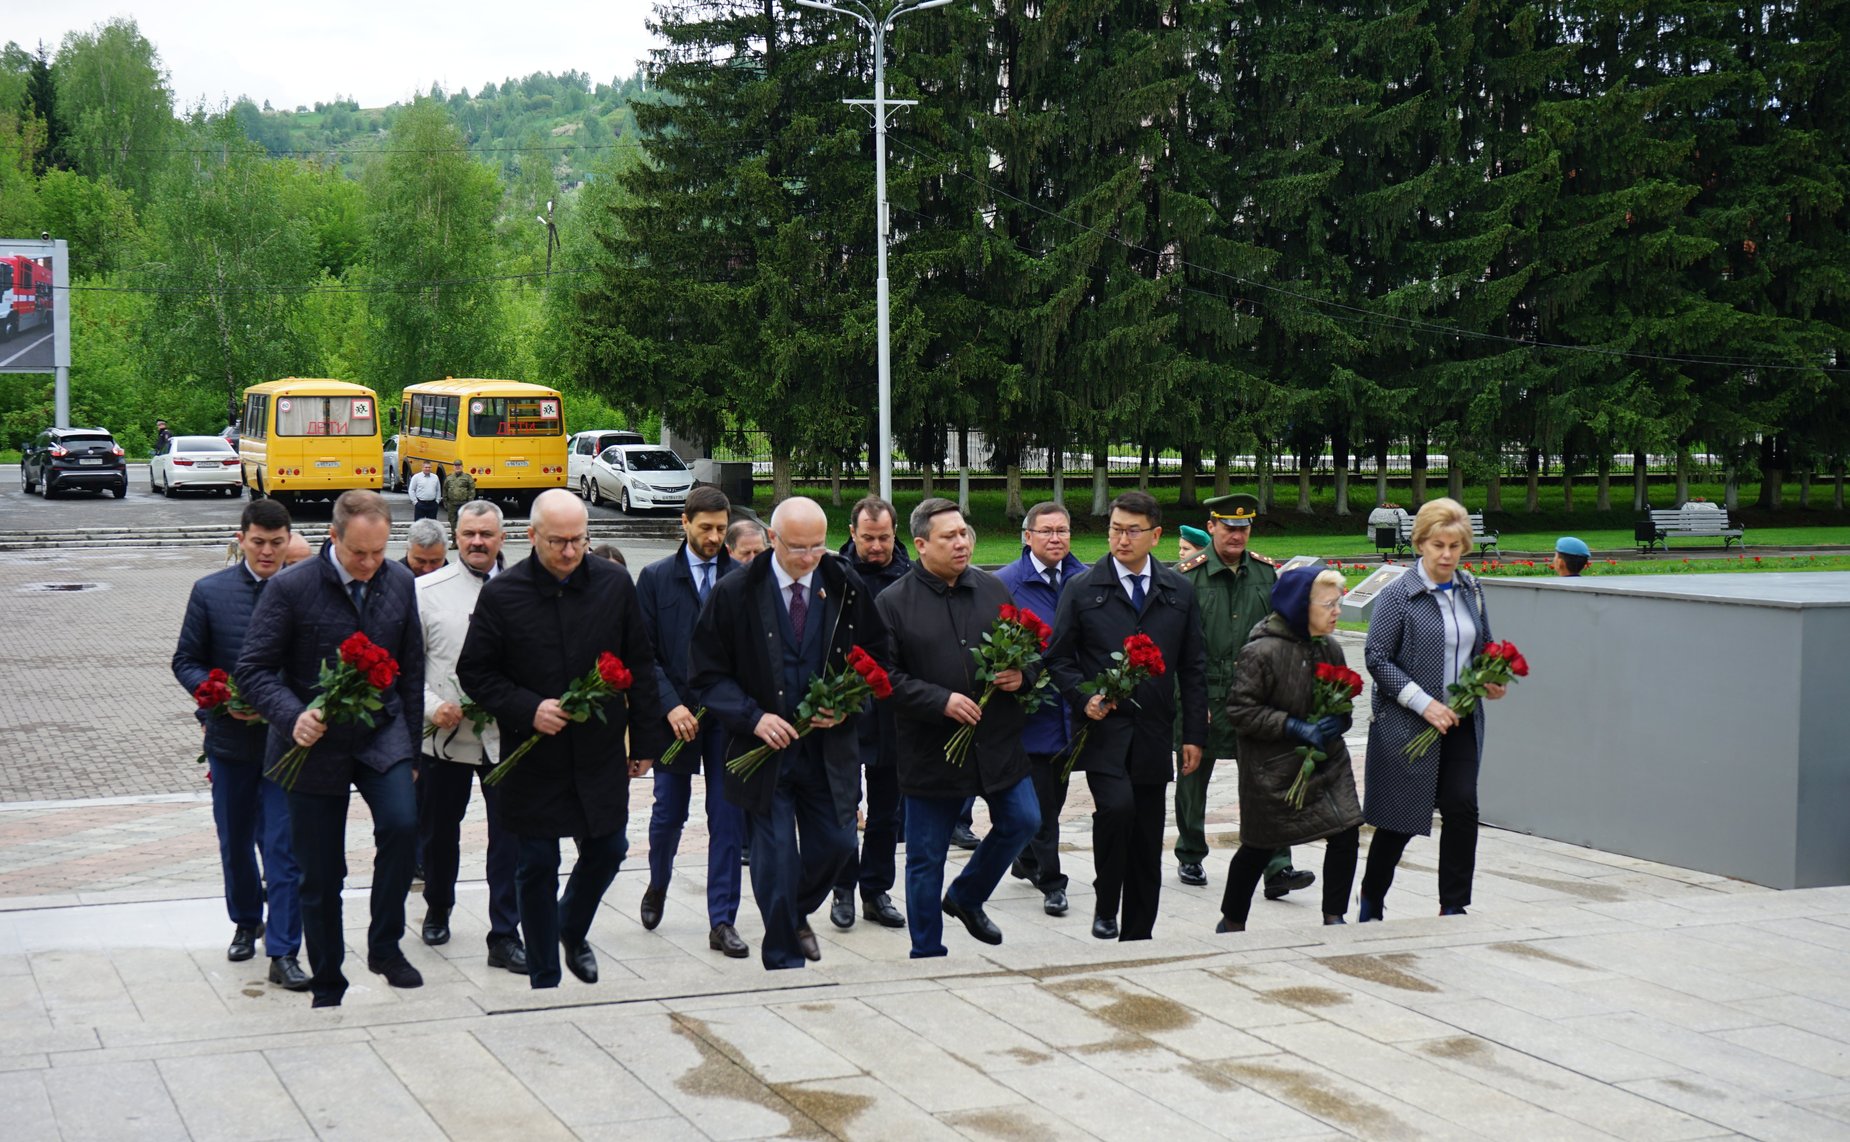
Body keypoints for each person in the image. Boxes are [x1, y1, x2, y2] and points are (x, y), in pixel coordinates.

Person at [458, 490, 666, 988]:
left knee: (610, 847)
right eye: (558, 542)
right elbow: (476, 672)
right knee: (536, 862)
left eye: (578, 540)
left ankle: (571, 928)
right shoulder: (503, 594)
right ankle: (544, 973)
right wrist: (528, 708)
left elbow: (640, 662)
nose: (570, 552)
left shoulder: (614, 584)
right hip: (533, 756)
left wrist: (645, 742)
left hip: (597, 750)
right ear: (532, 537)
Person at [237, 490, 425, 1008]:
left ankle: (385, 946)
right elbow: (252, 669)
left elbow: (411, 671)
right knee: (320, 871)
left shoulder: (401, 582)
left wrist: (411, 749)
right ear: (333, 537)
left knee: (403, 824)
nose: (368, 565)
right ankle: (328, 976)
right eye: (357, 553)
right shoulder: (291, 588)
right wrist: (293, 715)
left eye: (378, 553)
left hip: (380, 729)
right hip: (311, 739)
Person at [688, 496, 887, 970]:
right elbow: (706, 674)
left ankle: (796, 913)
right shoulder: (735, 592)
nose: (809, 558)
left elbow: (878, 656)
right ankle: (782, 959)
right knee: (775, 856)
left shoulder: (844, 584)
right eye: (798, 547)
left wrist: (846, 706)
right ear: (773, 539)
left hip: (827, 750)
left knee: (839, 846)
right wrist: (752, 717)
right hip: (765, 752)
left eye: (818, 546)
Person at [877, 499, 1040, 957]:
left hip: (996, 741)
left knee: (1024, 819)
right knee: (925, 856)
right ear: (922, 544)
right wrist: (940, 700)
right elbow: (881, 677)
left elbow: (1027, 652)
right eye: (949, 536)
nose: (962, 542)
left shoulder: (992, 590)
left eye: (964, 532)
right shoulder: (892, 603)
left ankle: (967, 895)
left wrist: (1021, 674)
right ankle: (927, 950)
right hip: (933, 749)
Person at [1046, 490, 1208, 942]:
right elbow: (1058, 659)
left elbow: (1193, 667)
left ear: (1155, 535)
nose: (1121, 538)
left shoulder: (1178, 590)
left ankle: (1140, 931)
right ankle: (1105, 899)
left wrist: (1193, 733)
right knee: (1116, 810)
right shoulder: (1083, 587)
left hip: (1155, 733)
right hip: (1104, 731)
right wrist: (1083, 698)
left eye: (1132, 530)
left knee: (1147, 830)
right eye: (1115, 528)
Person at [171, 498, 307, 991]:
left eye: (277, 543)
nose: (268, 552)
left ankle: (285, 949)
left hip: (286, 742)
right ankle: (246, 920)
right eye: (259, 542)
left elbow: (314, 666)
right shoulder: (210, 592)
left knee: (283, 846)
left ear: (289, 539)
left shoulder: (304, 592)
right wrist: (215, 694)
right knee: (234, 841)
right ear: (241, 538)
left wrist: (285, 704)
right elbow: (185, 659)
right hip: (229, 739)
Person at [1359, 497, 1507, 920]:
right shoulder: (1398, 596)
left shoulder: (1471, 589)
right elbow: (1376, 658)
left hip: (1460, 719)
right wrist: (1424, 705)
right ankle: (1371, 899)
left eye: (1455, 547)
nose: (1446, 555)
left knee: (1462, 807)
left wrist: (1490, 678)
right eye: (1438, 545)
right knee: (1399, 819)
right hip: (1407, 723)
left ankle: (1454, 904)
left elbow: (1483, 647)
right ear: (1420, 543)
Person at [1175, 493, 1310, 898]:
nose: (1237, 535)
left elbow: (1285, 635)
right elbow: (1177, 646)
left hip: (1256, 695)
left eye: (1244, 527)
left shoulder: (1267, 574)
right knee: (1194, 777)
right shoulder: (1186, 576)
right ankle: (1191, 854)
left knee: (1267, 778)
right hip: (1205, 691)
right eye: (1229, 526)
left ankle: (1277, 867)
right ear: (1211, 526)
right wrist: (1190, 703)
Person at [414, 500, 527, 976]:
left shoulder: (527, 590)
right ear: (455, 537)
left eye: (486, 534)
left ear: (502, 538)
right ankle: (438, 906)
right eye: (468, 534)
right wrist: (431, 706)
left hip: (509, 736)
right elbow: (406, 667)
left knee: (511, 836)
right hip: (445, 735)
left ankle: (505, 933)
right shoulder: (424, 591)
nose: (477, 542)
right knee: (440, 832)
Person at [636, 487, 750, 959]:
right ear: (683, 522)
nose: (714, 537)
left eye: (721, 529)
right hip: (676, 719)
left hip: (726, 721)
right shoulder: (656, 578)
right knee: (669, 814)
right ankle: (658, 882)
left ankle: (722, 920)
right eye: (705, 528)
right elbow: (643, 653)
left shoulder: (742, 579)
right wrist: (670, 705)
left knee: (728, 819)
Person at [1217, 567, 1363, 932]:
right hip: (1273, 770)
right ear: (1301, 606)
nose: (1336, 612)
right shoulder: (1260, 651)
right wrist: (1293, 725)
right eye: (1329, 604)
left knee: (1346, 830)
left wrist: (1337, 722)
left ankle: (1335, 916)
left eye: (1339, 603)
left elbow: (1344, 705)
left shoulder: (1330, 646)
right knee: (1260, 846)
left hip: (1327, 763)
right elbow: (1240, 711)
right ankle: (1232, 920)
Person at [994, 501, 1087, 916]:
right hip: (1030, 716)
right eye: (1046, 531)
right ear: (1027, 537)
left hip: (1073, 711)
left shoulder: (1085, 580)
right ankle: (1052, 881)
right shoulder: (1005, 583)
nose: (1056, 538)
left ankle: (1026, 859)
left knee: (1058, 796)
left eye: (1063, 531)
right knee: (1044, 805)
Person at [829, 496, 910, 932]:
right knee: (843, 806)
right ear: (852, 533)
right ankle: (842, 888)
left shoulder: (913, 579)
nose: (876, 547)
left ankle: (876, 891)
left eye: (883, 538)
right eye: (868, 538)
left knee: (887, 811)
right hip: (844, 708)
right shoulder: (833, 576)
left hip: (894, 713)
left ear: (895, 534)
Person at [443, 465, 478, 546]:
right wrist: (445, 503)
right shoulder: (449, 478)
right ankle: (454, 543)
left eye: (459, 466)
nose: (457, 467)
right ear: (453, 467)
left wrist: (469, 503)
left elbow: (472, 490)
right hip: (452, 504)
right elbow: (445, 491)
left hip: (464, 504)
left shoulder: (467, 478)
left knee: (464, 525)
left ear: (462, 467)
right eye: (456, 466)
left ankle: (464, 543)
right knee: (453, 524)